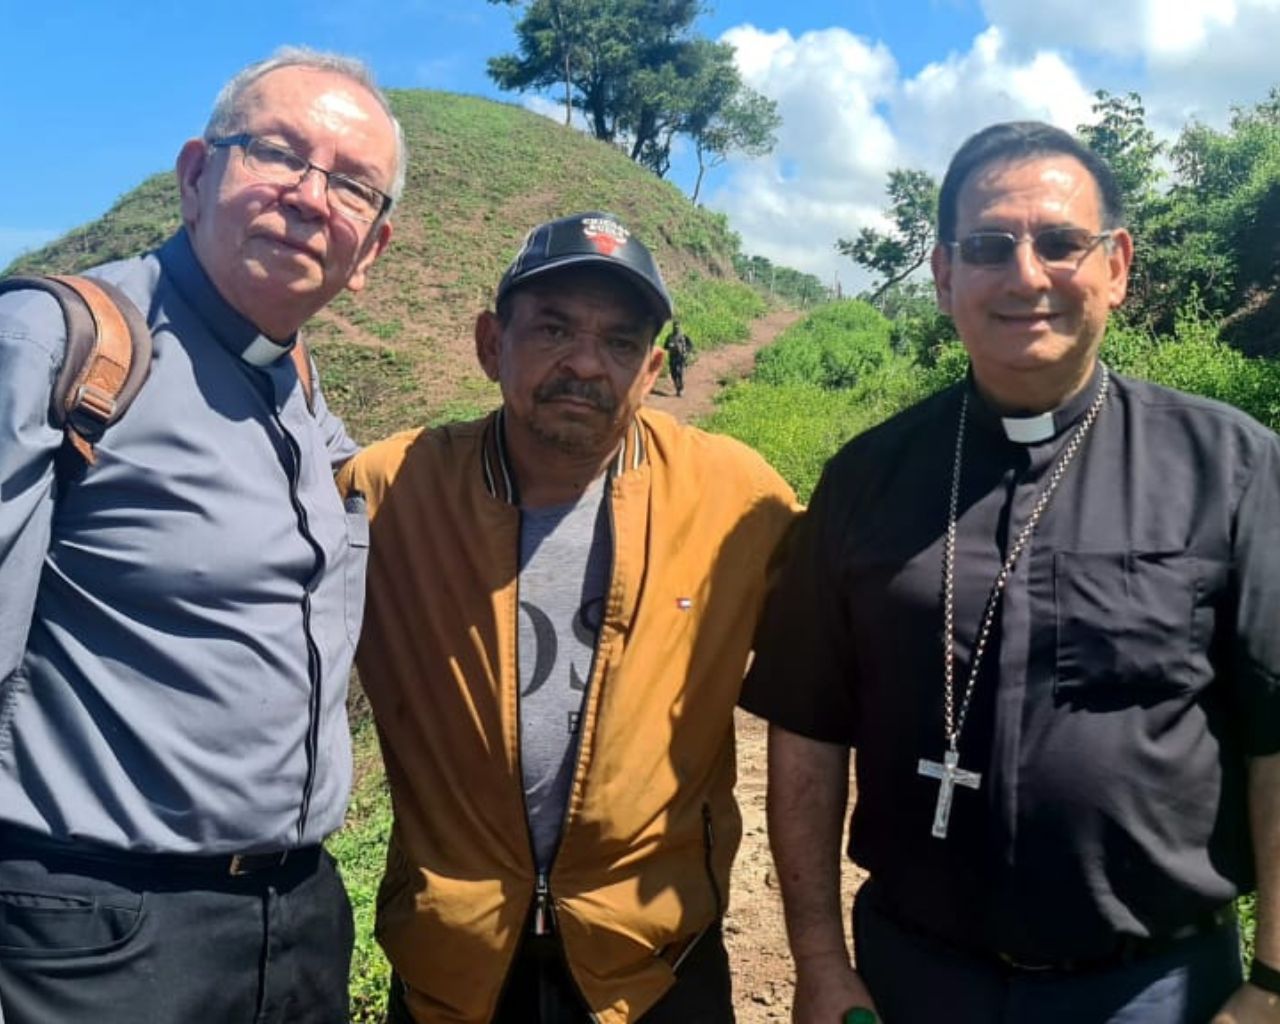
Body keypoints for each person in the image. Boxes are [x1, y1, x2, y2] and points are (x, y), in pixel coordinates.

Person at [741, 121, 1280, 1024]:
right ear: (945, 277)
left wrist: (1274, 984)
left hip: (1156, 990)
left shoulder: (1231, 467)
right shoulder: (867, 479)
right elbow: (806, 734)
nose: (1027, 275)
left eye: (1062, 243)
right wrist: (819, 963)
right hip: (914, 978)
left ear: (1117, 265)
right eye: (990, 246)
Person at [0, 47, 404, 1024]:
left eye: (351, 184)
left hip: (295, 922)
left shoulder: (300, 390)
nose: (312, 197)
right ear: (194, 175)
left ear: (371, 254)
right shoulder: (58, 347)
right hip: (97, 936)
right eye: (277, 153)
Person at [338, 211, 798, 1023]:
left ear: (652, 369)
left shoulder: (736, 497)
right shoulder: (388, 493)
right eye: (553, 329)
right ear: (491, 343)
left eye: (621, 343)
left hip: (656, 962)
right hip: (456, 962)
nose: (586, 363)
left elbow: (846, 647)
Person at [664, 319, 694, 396]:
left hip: (680, 357)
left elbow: (690, 345)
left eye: (677, 326)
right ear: (673, 327)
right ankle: (677, 388)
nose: (676, 328)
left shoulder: (684, 337)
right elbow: (665, 347)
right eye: (675, 326)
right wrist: (670, 346)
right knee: (673, 374)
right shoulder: (669, 337)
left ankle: (681, 389)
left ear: (679, 327)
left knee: (679, 373)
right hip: (672, 358)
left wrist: (686, 352)